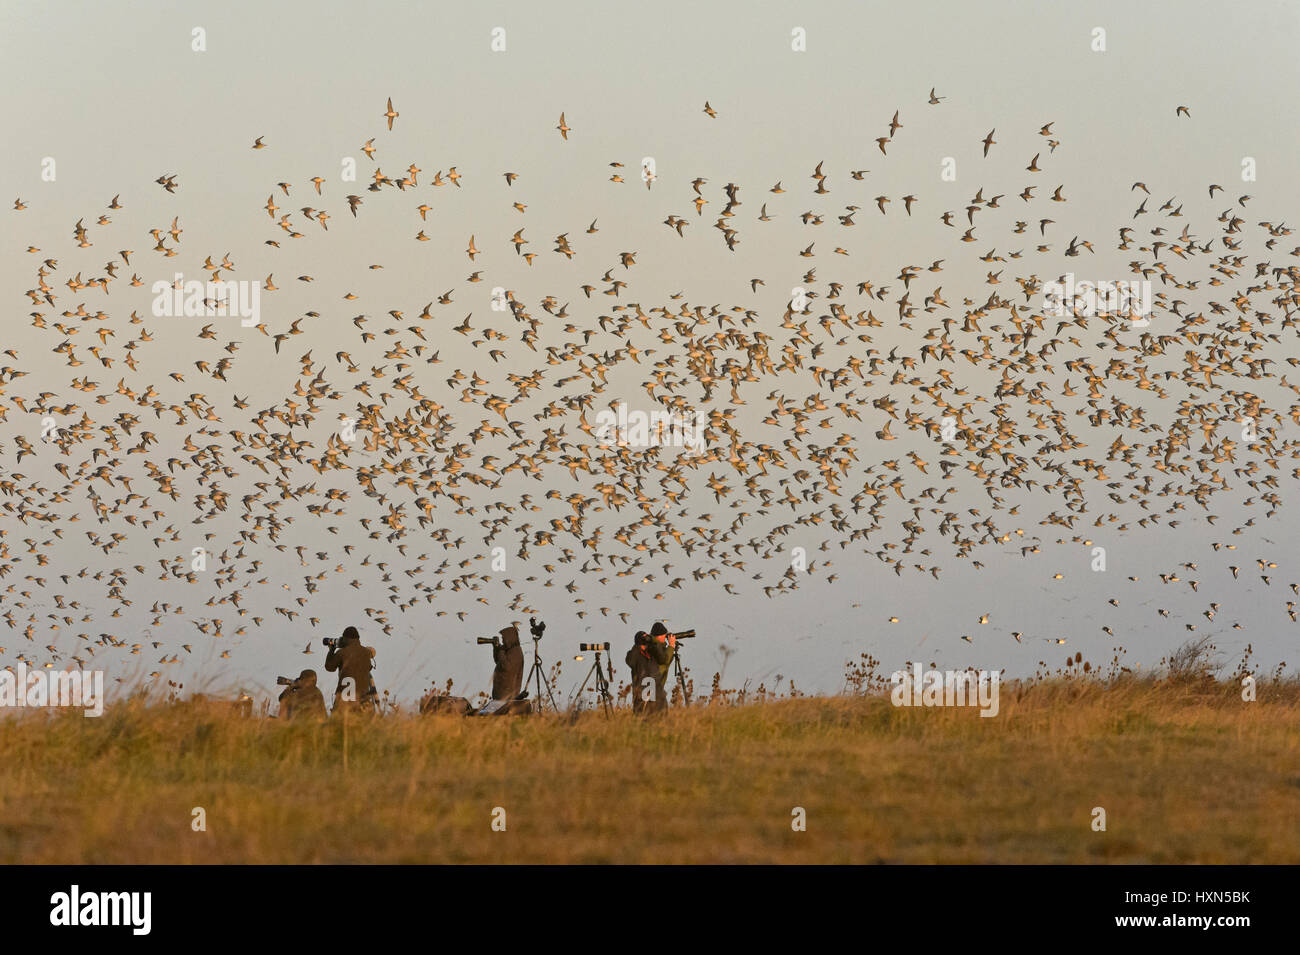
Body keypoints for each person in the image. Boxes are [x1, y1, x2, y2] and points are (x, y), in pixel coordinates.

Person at [325, 625, 378, 714]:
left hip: (344, 699)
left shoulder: (341, 653)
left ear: (345, 639)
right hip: (363, 698)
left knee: (339, 724)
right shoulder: (366, 653)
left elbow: (329, 667)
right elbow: (368, 668)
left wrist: (331, 650)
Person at [627, 622, 675, 714]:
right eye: (664, 636)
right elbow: (664, 660)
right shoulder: (646, 652)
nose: (665, 638)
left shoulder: (651, 650)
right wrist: (671, 646)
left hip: (650, 695)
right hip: (649, 695)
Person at [490, 624, 524, 701]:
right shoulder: (510, 649)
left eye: (503, 638)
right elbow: (498, 661)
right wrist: (496, 648)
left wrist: (501, 651)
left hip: (507, 693)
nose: (502, 641)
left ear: (509, 638)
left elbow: (506, 666)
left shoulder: (516, 652)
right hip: (502, 691)